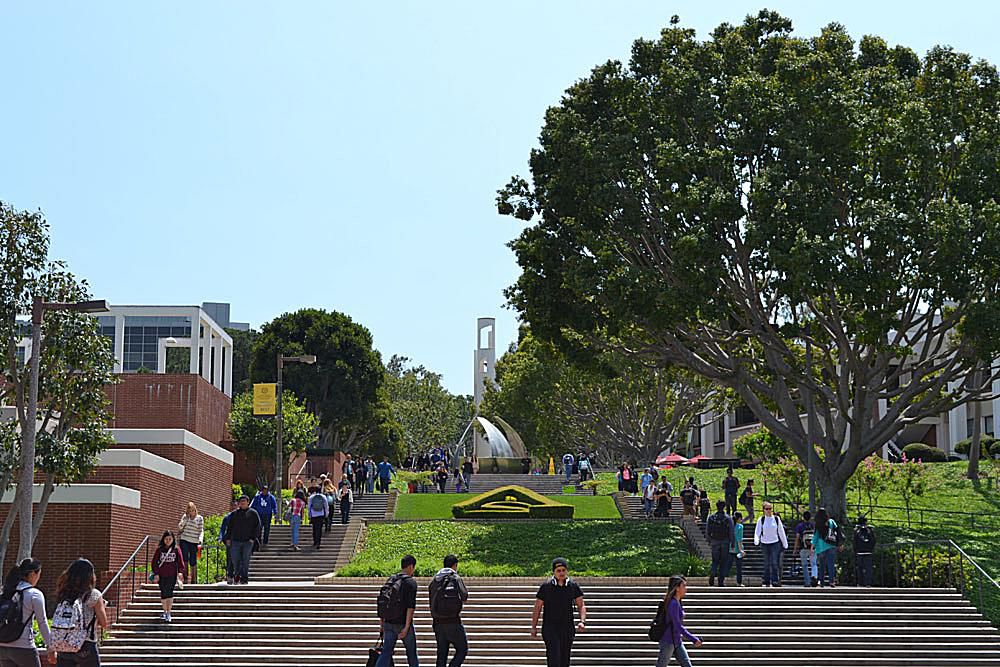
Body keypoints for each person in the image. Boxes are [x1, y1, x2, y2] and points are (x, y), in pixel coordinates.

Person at [52, 558, 108, 667]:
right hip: (86, 644)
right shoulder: (94, 595)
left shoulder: (63, 593)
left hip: (64, 644)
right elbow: (104, 623)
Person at [532, 558, 585, 667]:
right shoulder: (546, 587)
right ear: (554, 572)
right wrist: (534, 626)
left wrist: (582, 621)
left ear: (567, 571)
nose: (561, 573)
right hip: (550, 628)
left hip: (567, 628)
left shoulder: (573, 586)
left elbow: (581, 605)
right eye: (558, 570)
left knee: (565, 660)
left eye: (563, 570)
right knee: (554, 658)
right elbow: (537, 607)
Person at [0, 558, 52, 667]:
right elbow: (42, 622)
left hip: (2, 646)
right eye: (39, 574)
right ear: (33, 573)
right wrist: (50, 646)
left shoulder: (6, 591)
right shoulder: (34, 594)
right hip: (24, 647)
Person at [376, 555, 419, 667]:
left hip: (388, 623)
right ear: (411, 566)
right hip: (402, 624)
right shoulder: (410, 583)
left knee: (386, 653)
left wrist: (382, 624)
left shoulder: (391, 579)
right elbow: (411, 607)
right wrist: (406, 627)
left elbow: (383, 602)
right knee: (411, 654)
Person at [429, 554, 469, 667]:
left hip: (438, 623)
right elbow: (465, 596)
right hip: (453, 621)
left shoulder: (435, 580)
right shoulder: (455, 578)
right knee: (462, 650)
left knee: (442, 653)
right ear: (455, 565)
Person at [653, 574, 701, 667]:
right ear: (677, 588)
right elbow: (677, 625)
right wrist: (693, 639)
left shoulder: (678, 602)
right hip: (668, 641)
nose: (686, 589)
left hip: (677, 641)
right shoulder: (673, 603)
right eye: (683, 586)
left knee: (687, 665)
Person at [223, 495, 262, 585]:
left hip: (248, 541)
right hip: (236, 541)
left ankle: (244, 578)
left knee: (245, 560)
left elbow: (258, 527)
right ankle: (237, 575)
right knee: (235, 559)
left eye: (244, 501)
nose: (242, 503)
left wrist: (253, 538)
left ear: (248, 502)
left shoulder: (253, 513)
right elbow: (230, 527)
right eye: (241, 501)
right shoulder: (235, 514)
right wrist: (228, 538)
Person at [151, 531, 185, 623]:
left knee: (169, 593)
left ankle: (168, 613)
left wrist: (180, 573)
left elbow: (180, 562)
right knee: (163, 593)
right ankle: (165, 611)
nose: (168, 541)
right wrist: (156, 573)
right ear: (163, 539)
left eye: (170, 539)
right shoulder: (160, 550)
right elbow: (154, 563)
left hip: (172, 575)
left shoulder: (176, 549)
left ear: (173, 539)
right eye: (166, 539)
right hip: (162, 575)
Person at [753, 501, 788, 587]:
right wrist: (756, 540)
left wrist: (785, 543)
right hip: (765, 543)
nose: (769, 510)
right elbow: (757, 532)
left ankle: (775, 580)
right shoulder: (761, 520)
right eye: (767, 509)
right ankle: (766, 580)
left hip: (775, 543)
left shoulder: (776, 519)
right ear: (764, 510)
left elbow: (781, 531)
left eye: (770, 509)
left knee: (774, 562)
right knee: (766, 562)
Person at [706, 500, 735, 587]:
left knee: (715, 561)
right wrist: (732, 542)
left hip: (714, 542)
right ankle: (720, 581)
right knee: (723, 562)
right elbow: (731, 531)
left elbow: (707, 530)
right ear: (724, 507)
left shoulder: (711, 517)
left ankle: (712, 573)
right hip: (725, 542)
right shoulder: (727, 518)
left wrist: (709, 540)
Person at [177, 502, 203, 584]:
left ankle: (193, 579)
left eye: (192, 510)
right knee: (185, 559)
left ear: (195, 510)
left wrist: (200, 540)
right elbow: (180, 527)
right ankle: (185, 578)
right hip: (184, 539)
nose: (191, 512)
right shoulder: (185, 517)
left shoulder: (199, 518)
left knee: (193, 560)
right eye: (189, 511)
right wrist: (186, 519)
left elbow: (201, 530)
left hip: (194, 541)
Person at [812, 508, 839, 587]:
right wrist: (839, 543)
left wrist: (812, 546)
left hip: (821, 546)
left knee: (822, 565)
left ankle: (822, 581)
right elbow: (837, 531)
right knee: (831, 564)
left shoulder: (818, 523)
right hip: (831, 544)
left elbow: (816, 536)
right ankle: (832, 581)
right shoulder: (831, 521)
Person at [793, 511, 816, 588]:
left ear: (803, 517)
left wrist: (795, 549)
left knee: (805, 565)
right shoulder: (813, 525)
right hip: (813, 548)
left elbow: (797, 538)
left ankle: (807, 582)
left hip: (803, 548)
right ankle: (814, 578)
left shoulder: (800, 526)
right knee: (813, 564)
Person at [853, 516, 876, 587]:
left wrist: (855, 550)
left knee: (859, 568)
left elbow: (854, 541)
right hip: (868, 552)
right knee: (868, 568)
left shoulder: (856, 530)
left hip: (859, 552)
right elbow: (873, 540)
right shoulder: (870, 529)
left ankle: (860, 583)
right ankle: (868, 583)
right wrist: (871, 549)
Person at [219, 499, 238, 584]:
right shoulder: (227, 517)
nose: (234, 507)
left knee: (237, 559)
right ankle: (230, 575)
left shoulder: (240, 516)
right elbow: (222, 529)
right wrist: (220, 538)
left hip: (238, 540)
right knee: (229, 559)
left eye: (235, 506)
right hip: (229, 541)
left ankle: (236, 576)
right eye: (232, 506)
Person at [727, 511, 746, 586]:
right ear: (739, 518)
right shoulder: (740, 527)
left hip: (729, 548)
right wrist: (741, 550)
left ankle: (723, 580)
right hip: (737, 550)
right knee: (739, 567)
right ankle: (739, 582)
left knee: (728, 566)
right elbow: (739, 539)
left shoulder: (729, 526)